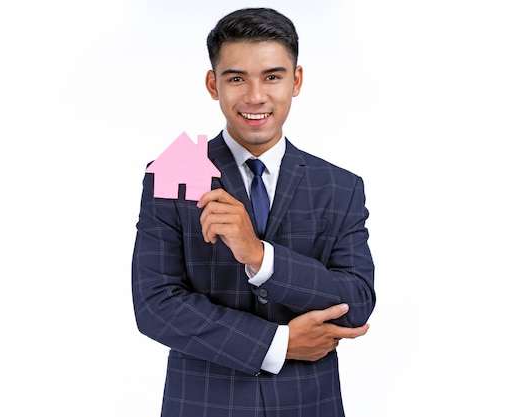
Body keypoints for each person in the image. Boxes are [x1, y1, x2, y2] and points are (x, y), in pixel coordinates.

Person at [132, 7, 375, 417]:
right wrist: (276, 344)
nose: (255, 96)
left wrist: (262, 258)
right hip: (204, 404)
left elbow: (356, 301)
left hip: (308, 405)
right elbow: (155, 304)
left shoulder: (339, 186)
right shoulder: (173, 172)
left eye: (272, 76)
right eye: (236, 78)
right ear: (213, 84)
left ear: (295, 81)